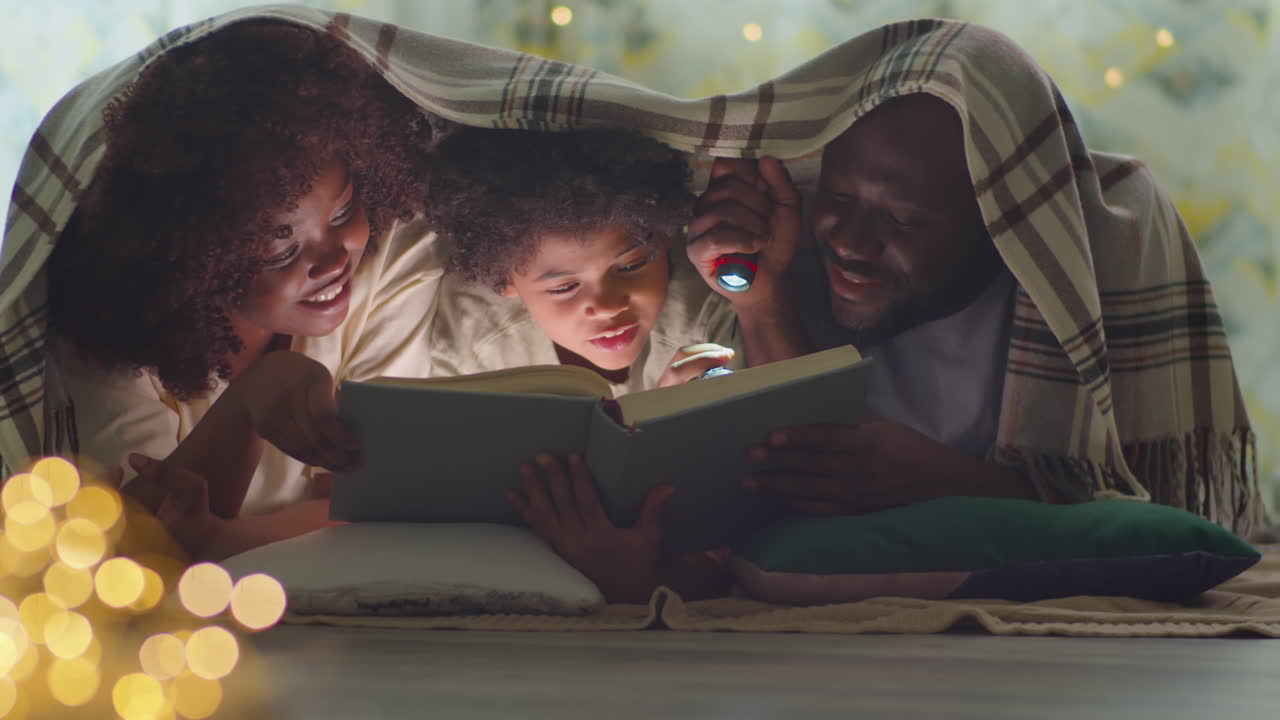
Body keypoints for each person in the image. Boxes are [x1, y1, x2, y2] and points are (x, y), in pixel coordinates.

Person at [689, 22, 1265, 535]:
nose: (850, 243)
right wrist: (762, 300)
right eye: (838, 196)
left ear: (1000, 221)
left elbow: (1159, 518)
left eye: (903, 219)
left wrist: (953, 484)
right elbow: (799, 464)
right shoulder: (792, 237)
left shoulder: (1102, 242)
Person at [42, 20, 447, 559]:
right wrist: (248, 403)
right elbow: (134, 550)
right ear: (191, 260)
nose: (334, 259)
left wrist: (222, 539)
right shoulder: (112, 335)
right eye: (281, 252)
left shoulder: (392, 253)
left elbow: (378, 499)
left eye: (344, 211)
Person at [424, 126, 784, 601]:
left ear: (664, 237)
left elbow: (749, 520)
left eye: (631, 265)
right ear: (505, 280)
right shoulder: (477, 344)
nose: (609, 305)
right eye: (564, 287)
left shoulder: (706, 312)